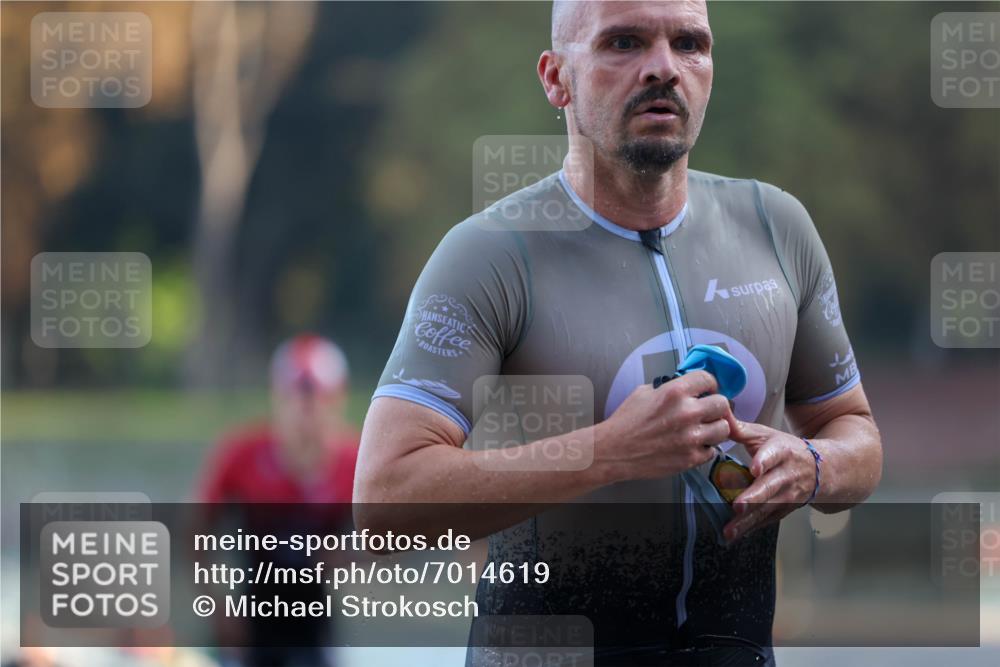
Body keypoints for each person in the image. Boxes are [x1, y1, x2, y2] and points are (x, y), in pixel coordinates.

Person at [355, 1, 882, 664]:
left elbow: (854, 432)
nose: (664, 68)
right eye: (624, 42)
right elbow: (384, 502)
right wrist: (608, 453)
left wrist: (812, 466)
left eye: (689, 43)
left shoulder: (777, 227)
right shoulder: (488, 255)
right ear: (556, 78)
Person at [197, 334, 358, 667]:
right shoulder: (242, 454)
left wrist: (348, 556)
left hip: (313, 622)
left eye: (316, 399)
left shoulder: (355, 461)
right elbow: (197, 532)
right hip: (250, 622)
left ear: (337, 400)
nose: (305, 412)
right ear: (277, 397)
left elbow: (396, 535)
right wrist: (217, 605)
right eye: (295, 398)